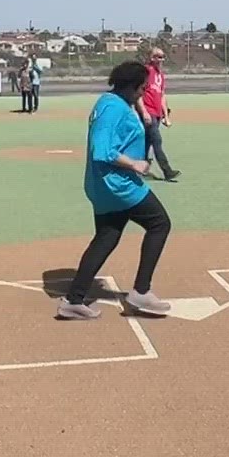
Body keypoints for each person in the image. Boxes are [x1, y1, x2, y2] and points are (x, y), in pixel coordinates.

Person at [58, 60, 174, 320]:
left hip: (105, 185)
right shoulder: (113, 108)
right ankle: (141, 291)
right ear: (131, 86)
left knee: (107, 237)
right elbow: (103, 151)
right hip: (117, 185)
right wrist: (136, 164)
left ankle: (73, 300)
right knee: (160, 224)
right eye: (142, 88)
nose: (144, 93)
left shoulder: (113, 103)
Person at [139, 46, 179, 180]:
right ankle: (167, 171)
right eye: (158, 56)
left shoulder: (160, 75)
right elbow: (139, 92)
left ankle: (139, 169)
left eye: (162, 56)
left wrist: (166, 116)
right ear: (151, 58)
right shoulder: (146, 71)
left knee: (147, 142)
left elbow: (161, 95)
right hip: (148, 111)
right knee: (157, 140)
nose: (161, 59)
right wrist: (143, 112)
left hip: (156, 113)